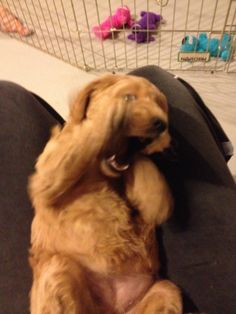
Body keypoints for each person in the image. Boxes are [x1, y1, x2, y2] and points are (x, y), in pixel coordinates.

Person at [0, 66, 235, 314]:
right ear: (88, 98)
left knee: (166, 294)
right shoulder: (67, 146)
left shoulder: (135, 166)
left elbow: (158, 208)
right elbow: (47, 185)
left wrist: (136, 163)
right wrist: (97, 133)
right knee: (56, 279)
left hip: (141, 292)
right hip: (78, 278)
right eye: (129, 98)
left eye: (159, 107)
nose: (156, 116)